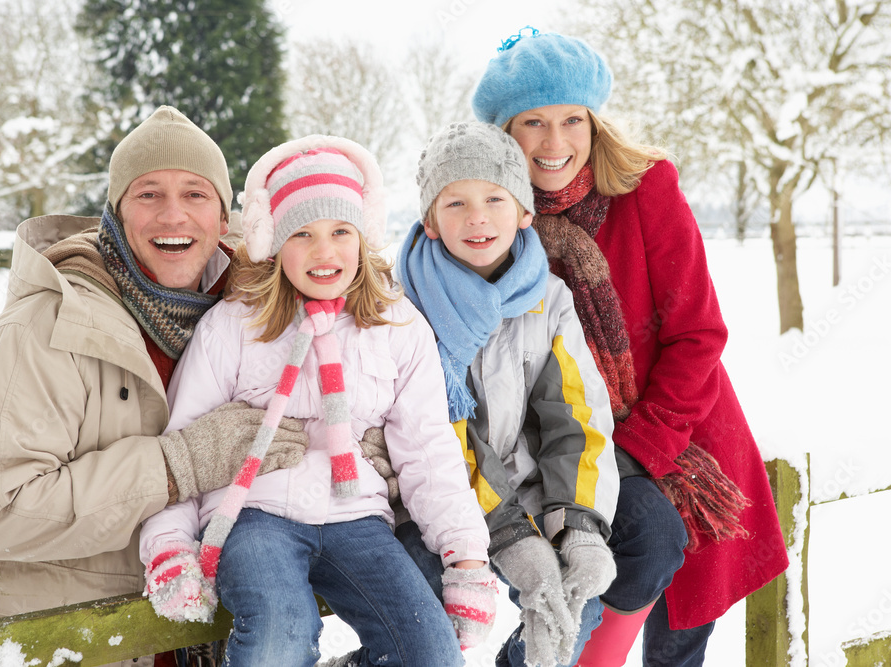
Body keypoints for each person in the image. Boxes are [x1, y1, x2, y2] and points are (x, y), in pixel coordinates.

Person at [0, 106, 310, 667]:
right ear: (116, 211)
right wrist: (176, 465)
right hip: (53, 644)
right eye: (148, 194)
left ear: (223, 214)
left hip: (187, 641)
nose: (173, 215)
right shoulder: (38, 332)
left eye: (196, 194)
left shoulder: (250, 318)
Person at [471, 28, 790, 666]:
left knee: (676, 635)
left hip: (680, 437)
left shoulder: (645, 190)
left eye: (571, 120)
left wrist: (636, 451)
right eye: (533, 122)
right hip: (561, 454)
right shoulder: (489, 218)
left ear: (594, 123)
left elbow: (698, 334)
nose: (555, 142)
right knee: (574, 604)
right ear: (504, 133)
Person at [138, 135, 498, 666]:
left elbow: (428, 451)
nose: (324, 251)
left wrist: (467, 559)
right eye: (302, 233)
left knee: (431, 653)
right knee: (278, 638)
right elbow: (184, 444)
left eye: (340, 232)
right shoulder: (235, 325)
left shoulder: (397, 328)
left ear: (362, 237)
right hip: (255, 518)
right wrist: (170, 545)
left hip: (359, 518)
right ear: (275, 243)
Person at [395, 120, 620, 667]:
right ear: (429, 220)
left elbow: (577, 414)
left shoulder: (548, 299)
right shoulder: (404, 305)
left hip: (525, 489)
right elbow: (433, 436)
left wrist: (579, 521)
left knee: (572, 598)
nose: (477, 217)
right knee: (430, 622)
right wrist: (508, 533)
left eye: (495, 198)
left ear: (524, 212)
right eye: (456, 203)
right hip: (425, 502)